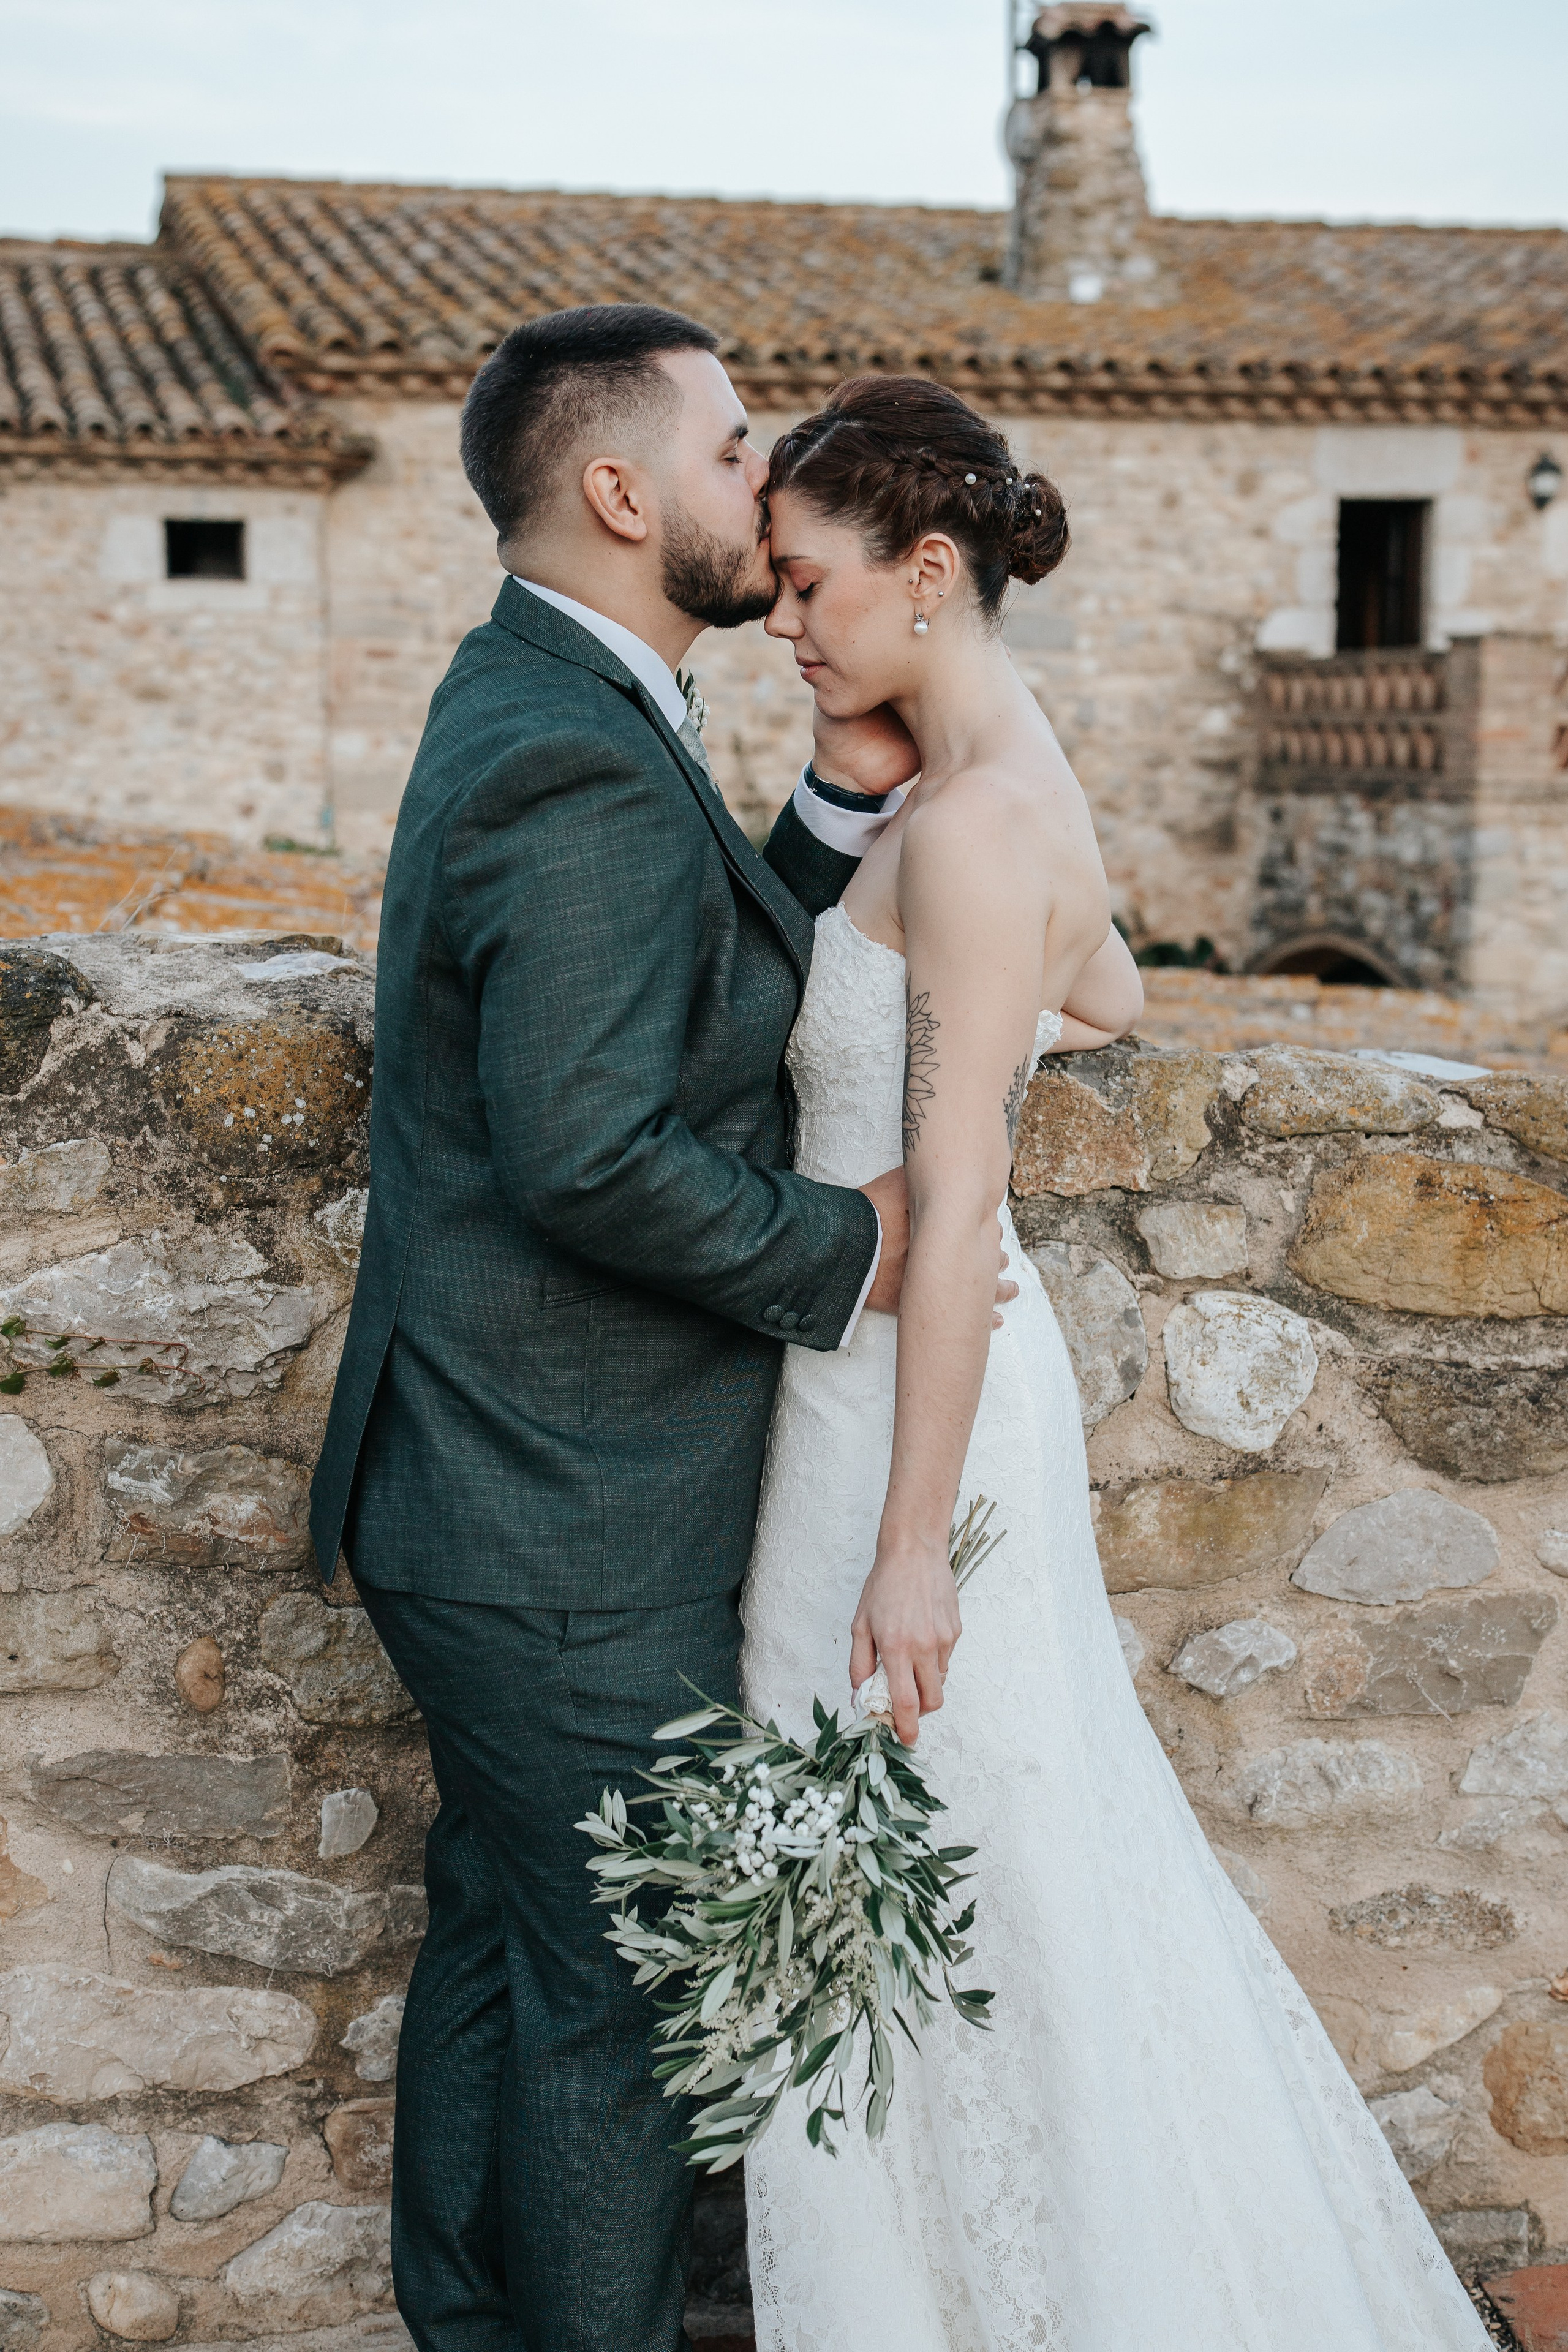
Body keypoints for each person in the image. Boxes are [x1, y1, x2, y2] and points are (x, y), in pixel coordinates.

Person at [737, 375, 1491, 2351]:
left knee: (950, 1862)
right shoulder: (1009, 784)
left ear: (925, 570)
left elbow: (964, 1217)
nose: (785, 627)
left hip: (914, 1412)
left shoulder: (968, 827)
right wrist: (985, 1017)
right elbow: (1122, 986)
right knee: (991, 1855)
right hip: (915, 1384)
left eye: (809, 588)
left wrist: (911, 1547)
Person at [307, 304, 1011, 2352]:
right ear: (619, 493)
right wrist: (848, 1242)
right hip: (553, 1518)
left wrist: (826, 820)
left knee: (509, 1952)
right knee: (622, 1998)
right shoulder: (568, 748)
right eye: (726, 454)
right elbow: (591, 1150)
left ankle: (469, 2318)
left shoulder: (564, 698)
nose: (764, 487)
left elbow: (672, 988)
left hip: (507, 1489)